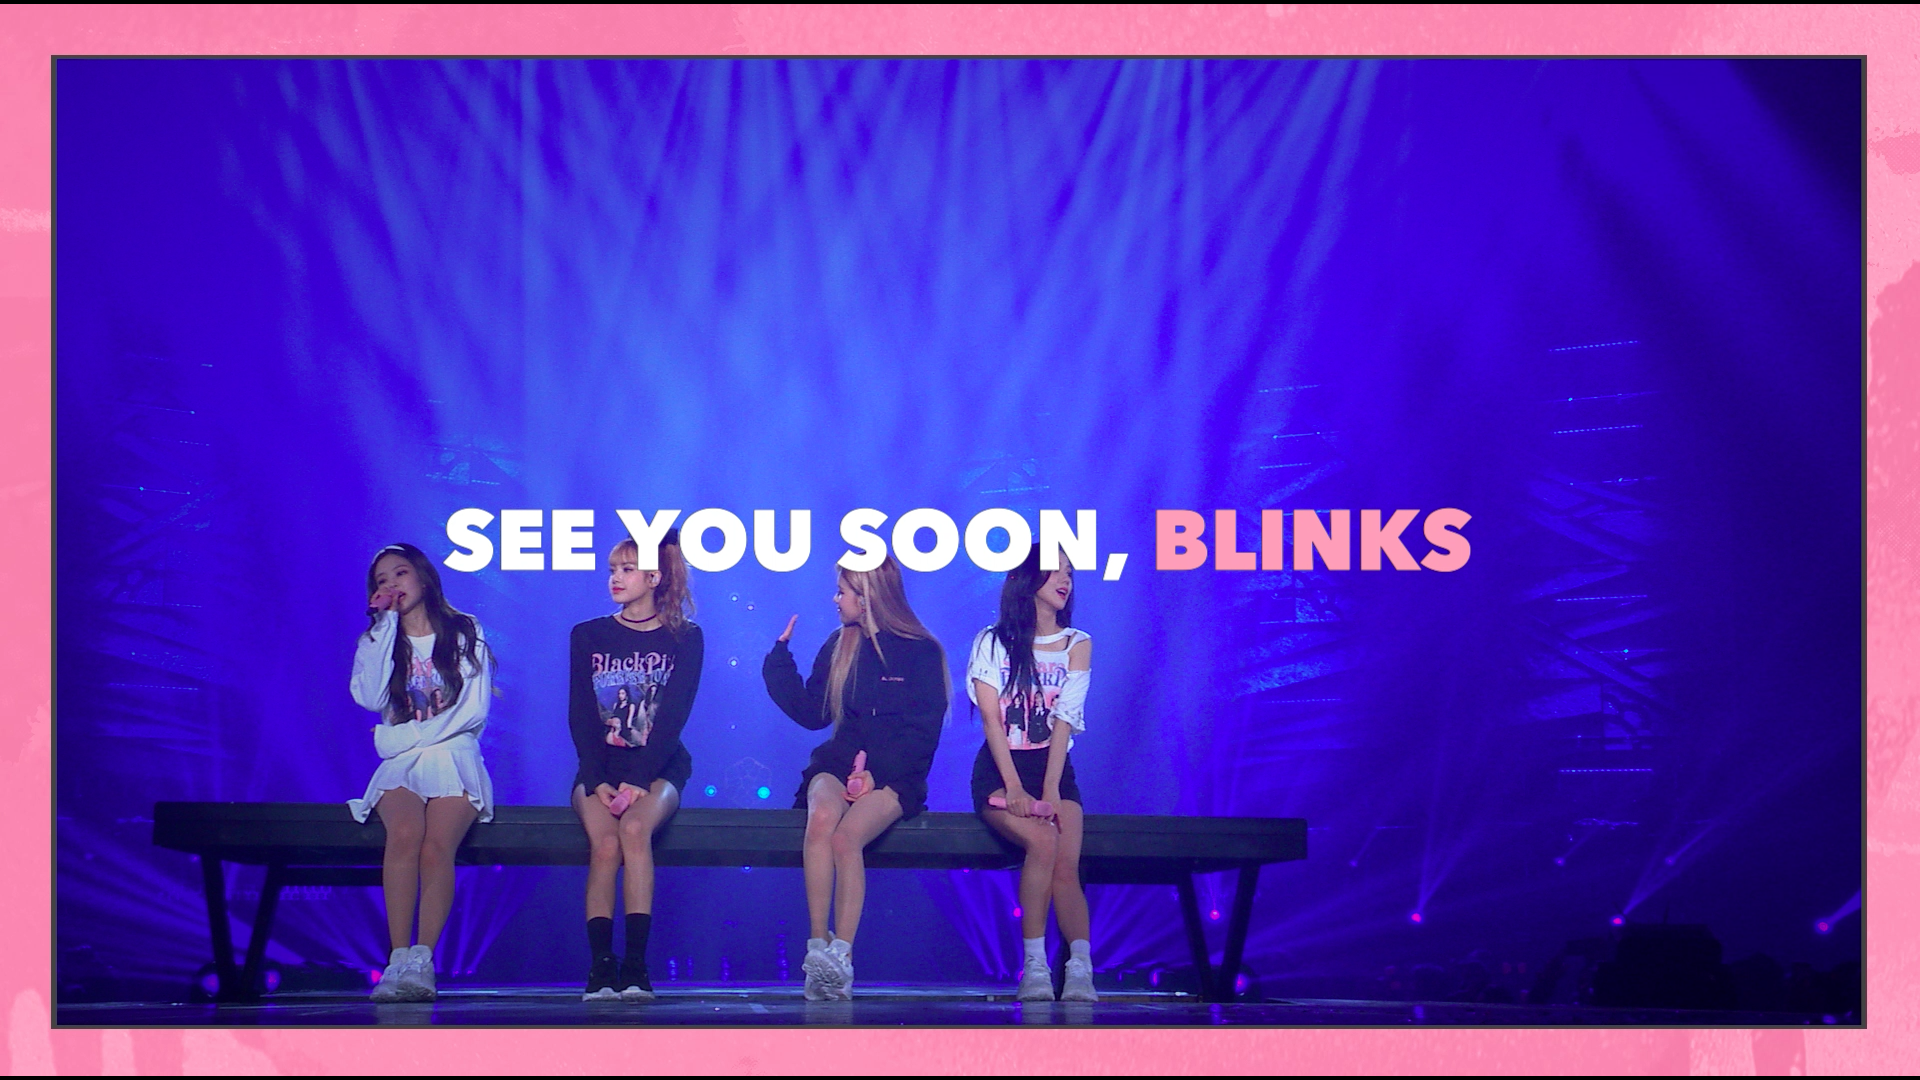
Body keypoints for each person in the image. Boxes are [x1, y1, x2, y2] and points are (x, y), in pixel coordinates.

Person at [763, 555, 948, 1000]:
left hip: (894, 776)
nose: (836, 599)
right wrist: (779, 661)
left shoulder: (922, 651)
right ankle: (817, 949)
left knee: (847, 839)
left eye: (842, 591)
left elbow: (922, 733)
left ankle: (841, 956)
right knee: (822, 818)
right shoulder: (839, 644)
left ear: (866, 598)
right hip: (839, 762)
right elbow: (813, 712)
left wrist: (875, 776)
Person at [348, 542, 496, 1003]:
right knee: (405, 834)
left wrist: (399, 738)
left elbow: (472, 710)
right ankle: (397, 958)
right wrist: (383, 625)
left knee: (436, 848)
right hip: (403, 765)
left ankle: (422, 960)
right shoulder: (378, 640)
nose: (392, 585)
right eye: (382, 580)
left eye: (401, 573)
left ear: (423, 577)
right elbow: (370, 699)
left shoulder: (464, 629)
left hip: (454, 754)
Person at [568, 531, 702, 1002]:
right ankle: (601, 966)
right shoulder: (588, 635)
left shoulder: (685, 637)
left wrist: (640, 780)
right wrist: (597, 779)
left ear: (653, 577)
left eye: (627, 569)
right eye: (612, 570)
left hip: (657, 767)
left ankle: (636, 966)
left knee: (633, 831)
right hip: (600, 768)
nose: (616, 579)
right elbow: (580, 714)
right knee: (605, 844)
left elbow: (673, 716)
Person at [968, 545, 1096, 1002]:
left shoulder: (1078, 643)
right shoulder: (992, 640)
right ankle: (1035, 967)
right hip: (1001, 769)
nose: (1065, 580)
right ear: (1028, 579)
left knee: (1066, 862)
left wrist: (1050, 790)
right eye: (1055, 571)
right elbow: (991, 721)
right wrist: (1015, 788)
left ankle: (1081, 969)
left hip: (1054, 768)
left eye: (1070, 573)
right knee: (1042, 843)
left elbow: (1065, 720)